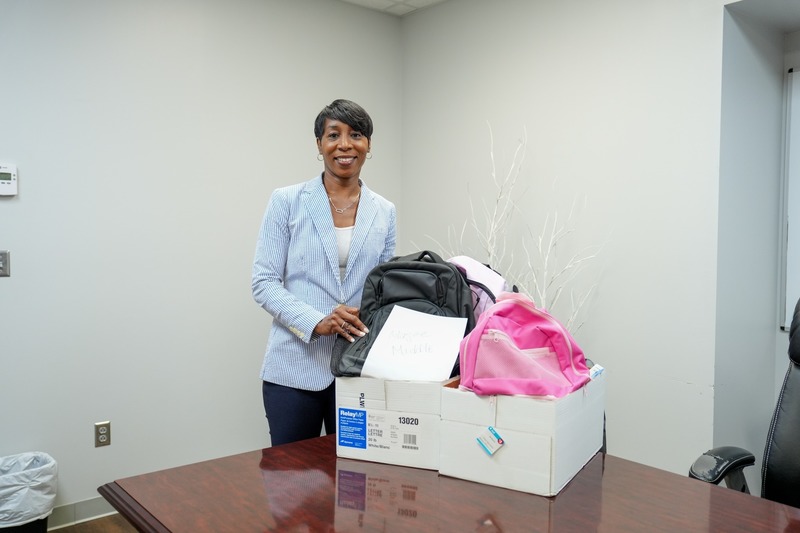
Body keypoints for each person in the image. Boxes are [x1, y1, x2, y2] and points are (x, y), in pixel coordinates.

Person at [252, 99, 397, 446]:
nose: (345, 144)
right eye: (334, 135)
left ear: (369, 145)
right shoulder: (287, 201)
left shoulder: (385, 211)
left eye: (356, 134)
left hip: (358, 368)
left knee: (355, 481)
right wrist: (317, 321)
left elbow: (384, 288)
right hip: (293, 367)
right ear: (319, 144)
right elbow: (264, 282)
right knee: (291, 484)